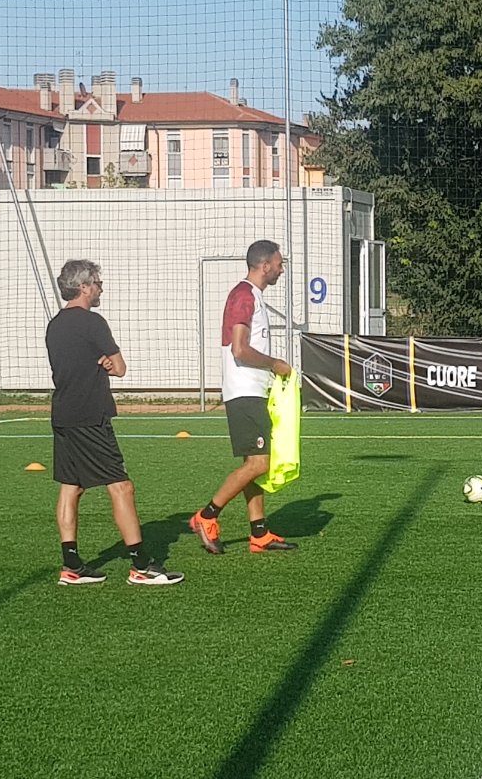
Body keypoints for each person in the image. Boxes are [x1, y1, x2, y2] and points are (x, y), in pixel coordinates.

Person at [46, 260, 183, 586]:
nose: (100, 289)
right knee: (121, 486)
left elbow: (76, 363)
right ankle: (142, 566)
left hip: (62, 413)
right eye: (97, 283)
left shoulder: (54, 325)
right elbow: (120, 368)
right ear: (84, 287)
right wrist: (109, 363)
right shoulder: (93, 322)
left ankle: (71, 565)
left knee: (71, 486)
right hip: (90, 416)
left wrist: (103, 362)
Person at [191, 239, 302, 553]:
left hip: (253, 390)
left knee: (254, 462)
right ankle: (207, 515)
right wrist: (274, 364)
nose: (281, 270)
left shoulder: (253, 296)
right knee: (259, 464)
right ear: (265, 266)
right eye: (279, 264)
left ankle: (259, 533)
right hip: (244, 391)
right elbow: (239, 349)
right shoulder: (243, 295)